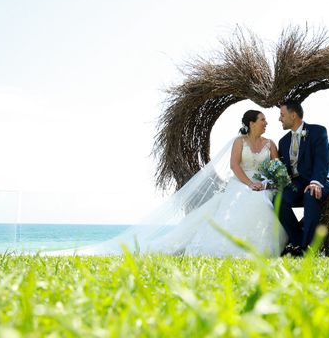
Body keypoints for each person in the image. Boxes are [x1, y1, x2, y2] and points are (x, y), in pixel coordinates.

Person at [54, 110, 288, 257]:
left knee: (264, 205)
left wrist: (269, 182)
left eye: (266, 120)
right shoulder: (240, 142)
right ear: (250, 123)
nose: (266, 123)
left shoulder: (270, 144)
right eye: (262, 120)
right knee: (241, 203)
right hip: (242, 183)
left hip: (264, 185)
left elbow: (277, 166)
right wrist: (249, 184)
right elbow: (236, 166)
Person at [277, 100, 329, 255]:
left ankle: (308, 248)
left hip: (321, 180)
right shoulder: (283, 142)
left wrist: (316, 182)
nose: (279, 119)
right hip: (297, 183)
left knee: (310, 193)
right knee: (278, 199)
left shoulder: (318, 131)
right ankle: (298, 243)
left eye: (282, 115)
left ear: (294, 115)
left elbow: (321, 160)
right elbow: (284, 169)